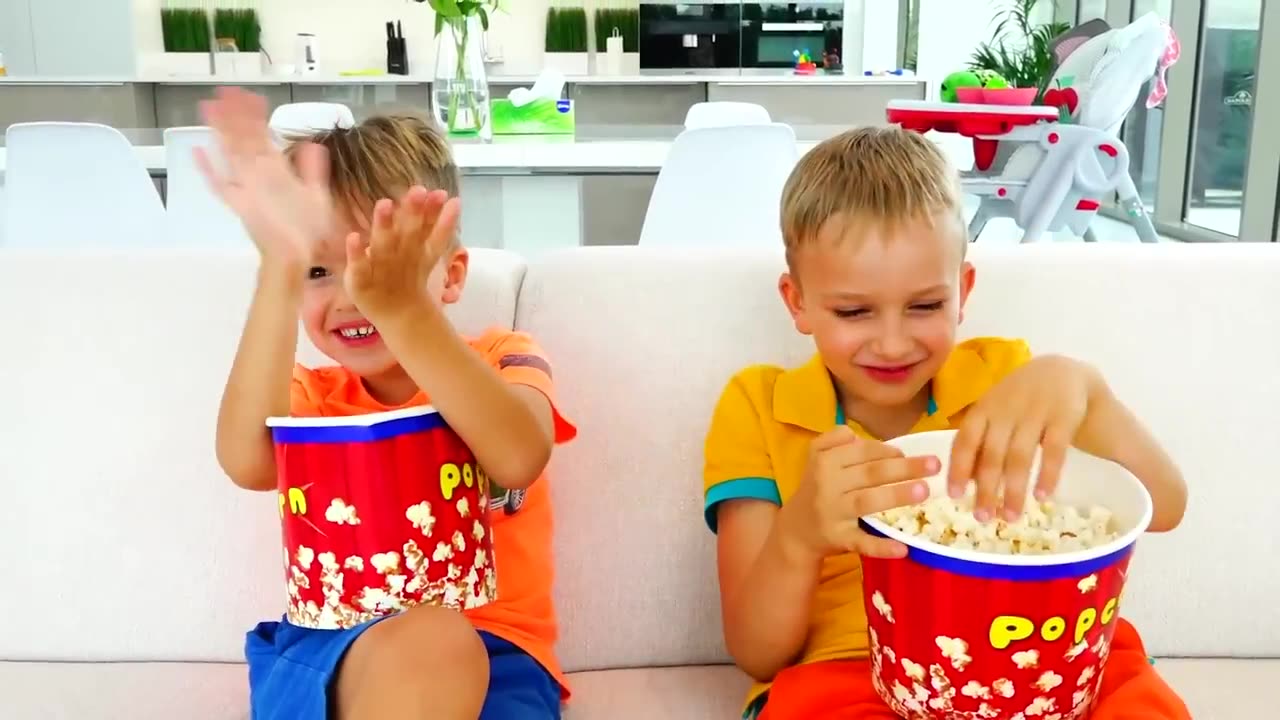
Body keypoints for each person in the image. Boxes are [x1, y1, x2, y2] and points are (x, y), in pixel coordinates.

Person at [702, 126, 1190, 720]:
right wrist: (801, 534)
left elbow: (1164, 508)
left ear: (962, 291)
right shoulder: (758, 405)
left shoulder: (1007, 380)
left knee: (1137, 695)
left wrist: (1087, 390)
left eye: (926, 306)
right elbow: (756, 653)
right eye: (854, 311)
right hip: (854, 670)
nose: (891, 342)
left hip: (1051, 651)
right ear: (797, 301)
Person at [202, 88, 576, 720]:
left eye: (379, 264)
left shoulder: (502, 358)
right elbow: (246, 462)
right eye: (319, 272)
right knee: (432, 639)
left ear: (452, 276)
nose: (353, 293)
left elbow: (518, 457)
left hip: (500, 653)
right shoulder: (312, 396)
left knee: (444, 640)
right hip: (332, 649)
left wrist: (405, 313)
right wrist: (278, 267)